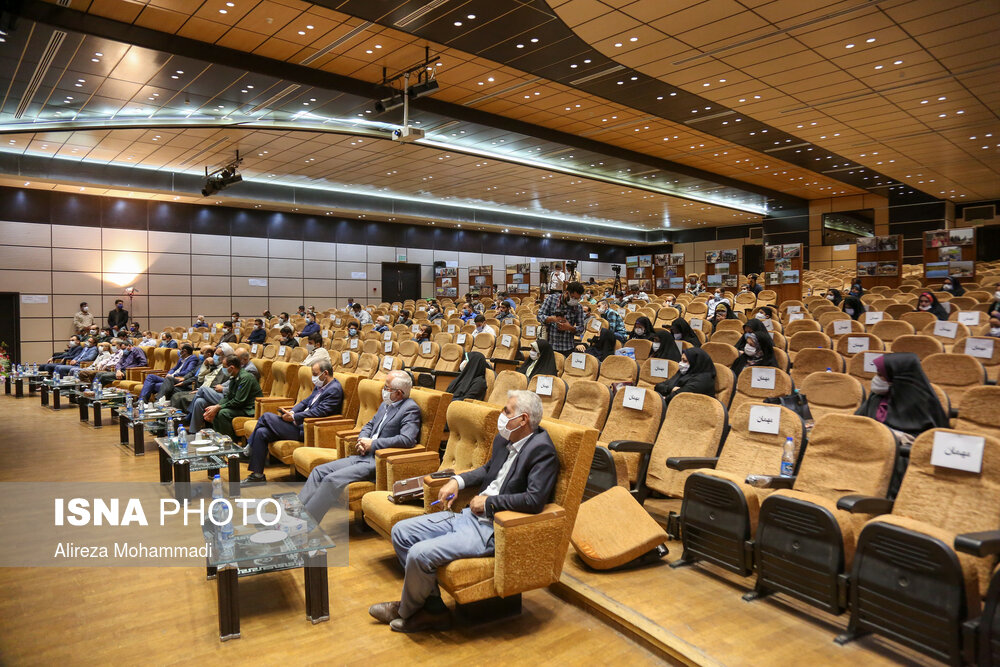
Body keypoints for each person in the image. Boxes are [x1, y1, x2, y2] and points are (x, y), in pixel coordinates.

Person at [371, 391, 558, 633]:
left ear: (523, 419)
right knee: (401, 531)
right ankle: (433, 609)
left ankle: (406, 611)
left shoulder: (542, 451)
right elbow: (487, 470)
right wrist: (457, 481)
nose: (501, 415)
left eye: (506, 411)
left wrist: (489, 503)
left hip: (492, 529)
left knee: (419, 553)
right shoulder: (504, 439)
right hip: (469, 516)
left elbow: (534, 500)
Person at [299, 371, 421, 522]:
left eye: (386, 387)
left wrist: (373, 444)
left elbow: (407, 439)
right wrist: (363, 439)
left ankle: (305, 524)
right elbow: (369, 424)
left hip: (378, 461)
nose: (383, 390)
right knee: (318, 471)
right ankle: (296, 512)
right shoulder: (386, 404)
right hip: (362, 454)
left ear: (399, 393)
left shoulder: (410, 409)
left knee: (331, 479)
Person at [855, 353, 949, 494]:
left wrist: (896, 437)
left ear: (897, 377)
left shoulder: (922, 402)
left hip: (901, 461)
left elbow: (929, 441)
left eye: (881, 375)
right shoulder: (877, 397)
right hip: (869, 450)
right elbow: (857, 422)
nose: (875, 379)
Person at [242, 360, 343, 484]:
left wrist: (295, 417)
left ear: (325, 373)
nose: (313, 377)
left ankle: (248, 447)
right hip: (297, 423)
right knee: (262, 432)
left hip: (307, 429)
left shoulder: (334, 390)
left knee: (266, 417)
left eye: (315, 374)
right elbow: (305, 402)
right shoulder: (321, 386)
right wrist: (292, 412)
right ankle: (257, 475)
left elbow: (319, 412)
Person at [201, 353, 262, 439]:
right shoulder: (234, 376)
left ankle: (230, 442)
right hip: (241, 407)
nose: (223, 369)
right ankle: (218, 440)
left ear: (232, 368)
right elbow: (228, 396)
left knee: (223, 413)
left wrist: (219, 407)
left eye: (224, 367)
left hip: (249, 409)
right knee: (216, 410)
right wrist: (216, 406)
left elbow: (238, 401)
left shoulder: (245, 378)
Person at [536, 281, 585, 355]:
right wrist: (552, 319)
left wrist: (569, 328)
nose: (574, 300)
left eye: (577, 298)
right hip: (550, 346)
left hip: (567, 347)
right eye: (573, 297)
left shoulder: (578, 307)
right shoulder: (551, 299)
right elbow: (539, 316)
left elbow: (581, 328)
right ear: (566, 293)